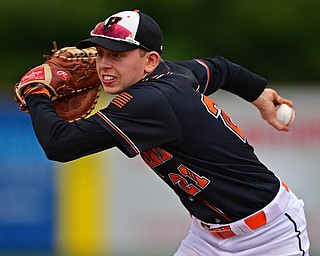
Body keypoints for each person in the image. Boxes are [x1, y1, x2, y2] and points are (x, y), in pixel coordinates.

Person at [21, 10, 309, 255]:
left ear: (150, 61)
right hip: (207, 239)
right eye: (101, 54)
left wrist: (37, 92)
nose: (104, 65)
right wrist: (259, 94)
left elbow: (59, 145)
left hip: (271, 238)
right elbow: (221, 68)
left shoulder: (150, 102)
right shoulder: (175, 74)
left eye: (118, 55)